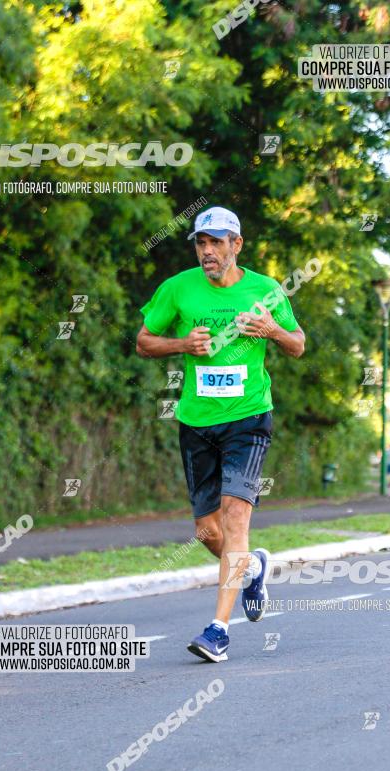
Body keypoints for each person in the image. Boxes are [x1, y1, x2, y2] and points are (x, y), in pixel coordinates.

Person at [136, 206, 305, 662]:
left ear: (237, 245)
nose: (207, 251)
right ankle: (250, 571)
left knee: (235, 519)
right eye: (200, 243)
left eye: (215, 242)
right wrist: (182, 344)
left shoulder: (266, 291)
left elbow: (298, 344)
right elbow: (143, 342)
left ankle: (218, 631)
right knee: (207, 530)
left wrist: (271, 330)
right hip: (197, 421)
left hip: (249, 419)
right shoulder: (178, 288)